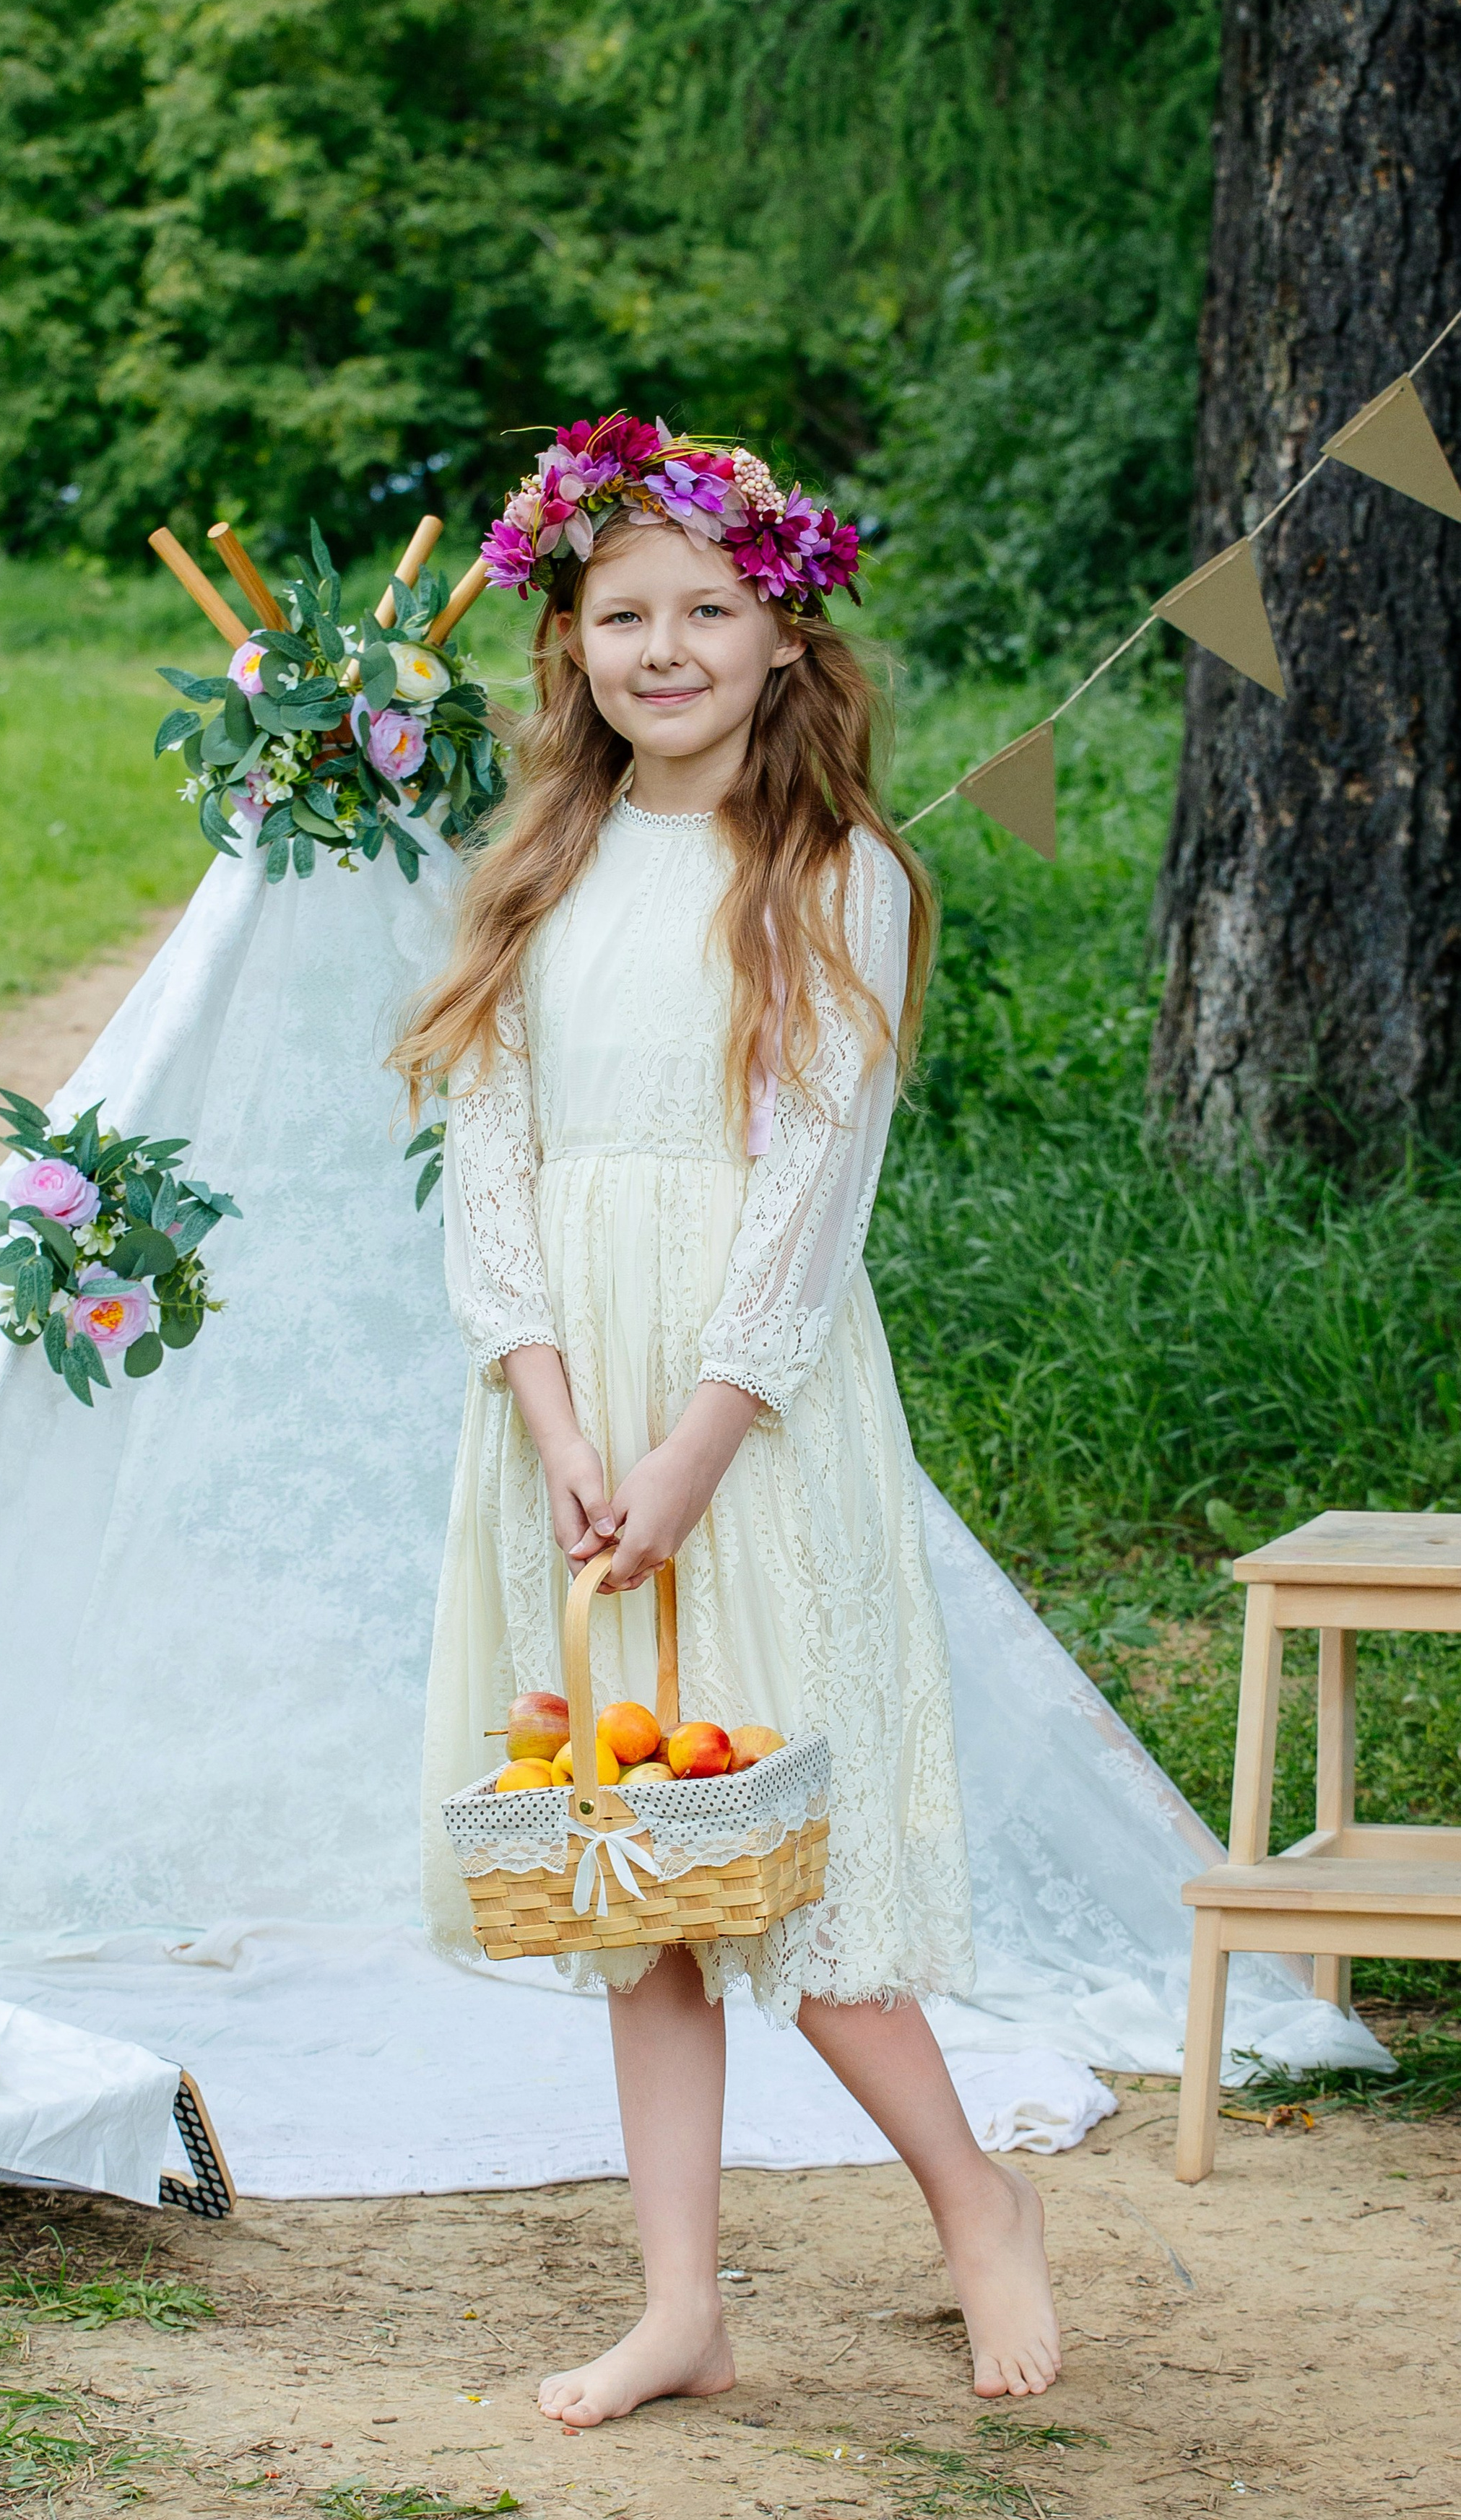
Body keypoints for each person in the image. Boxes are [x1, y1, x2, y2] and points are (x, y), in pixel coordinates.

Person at [396, 415, 1062, 2425]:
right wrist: (549, 1402)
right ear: (571, 644)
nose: (663, 646)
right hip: (571, 1405)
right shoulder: (541, 863)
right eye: (624, 614)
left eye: (708, 609)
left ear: (785, 639)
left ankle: (975, 2197)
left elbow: (811, 1187)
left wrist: (691, 1445)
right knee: (636, 1871)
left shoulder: (837, 871)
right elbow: (489, 1148)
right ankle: (681, 2300)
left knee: (788, 1850)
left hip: (741, 1408)